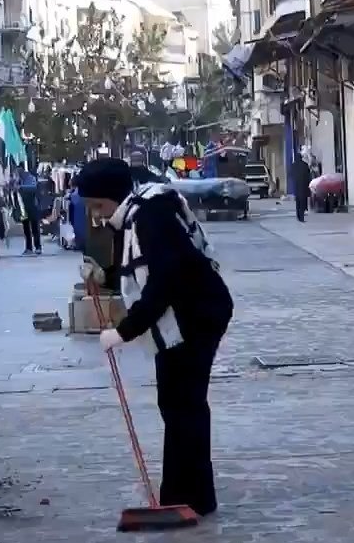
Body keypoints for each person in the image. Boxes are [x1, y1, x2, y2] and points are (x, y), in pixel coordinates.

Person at [75, 157, 234, 517]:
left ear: (114, 197)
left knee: (184, 406)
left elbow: (164, 280)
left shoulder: (149, 216)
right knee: (178, 405)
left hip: (196, 316)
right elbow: (140, 266)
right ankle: (185, 496)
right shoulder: (136, 215)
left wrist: (123, 331)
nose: (97, 215)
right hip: (185, 315)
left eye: (98, 206)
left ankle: (189, 499)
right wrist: (104, 276)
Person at [17, 168, 44, 255]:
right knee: (26, 228)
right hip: (23, 207)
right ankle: (28, 248)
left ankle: (38, 247)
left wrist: (20, 187)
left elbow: (33, 187)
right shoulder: (19, 179)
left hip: (32, 205)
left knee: (34, 227)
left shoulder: (30, 178)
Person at [292, 156, 313, 223]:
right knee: (302, 203)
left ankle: (298, 216)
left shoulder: (293, 165)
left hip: (296, 187)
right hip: (304, 187)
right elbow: (309, 176)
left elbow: (290, 175)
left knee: (298, 203)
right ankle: (301, 217)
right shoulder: (305, 165)